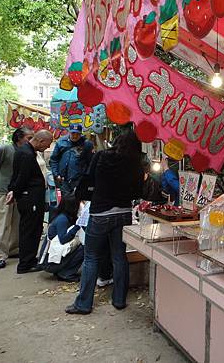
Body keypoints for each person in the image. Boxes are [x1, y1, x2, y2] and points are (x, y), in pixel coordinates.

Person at [66, 130, 144, 315]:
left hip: (101, 212)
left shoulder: (102, 156)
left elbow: (88, 179)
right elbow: (137, 193)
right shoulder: (136, 165)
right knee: (119, 256)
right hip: (124, 213)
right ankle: (119, 300)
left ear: (117, 141)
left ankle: (83, 304)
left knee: (91, 257)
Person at [7, 129, 54, 274]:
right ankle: (25, 263)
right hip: (30, 198)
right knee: (30, 230)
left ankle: (30, 258)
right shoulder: (26, 154)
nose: (47, 148)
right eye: (47, 144)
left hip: (32, 197)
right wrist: (14, 192)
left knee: (34, 229)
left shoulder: (28, 151)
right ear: (40, 141)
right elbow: (21, 178)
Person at [0, 127, 33, 269]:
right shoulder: (4, 149)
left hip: (18, 191)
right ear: (19, 138)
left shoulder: (26, 151)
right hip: (3, 191)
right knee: (3, 224)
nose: (31, 140)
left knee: (16, 222)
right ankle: (0, 255)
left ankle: (14, 249)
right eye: (29, 137)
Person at [41, 195, 84, 282]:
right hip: (49, 263)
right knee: (83, 249)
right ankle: (66, 273)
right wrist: (78, 225)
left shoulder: (63, 216)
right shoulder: (62, 219)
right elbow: (63, 239)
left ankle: (62, 270)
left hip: (51, 260)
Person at [49, 124, 94, 196]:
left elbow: (91, 163)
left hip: (79, 180)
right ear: (69, 132)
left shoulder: (87, 144)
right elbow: (54, 159)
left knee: (78, 201)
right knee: (65, 202)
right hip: (63, 179)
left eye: (78, 134)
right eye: (73, 133)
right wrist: (56, 174)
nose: (75, 136)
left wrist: (86, 177)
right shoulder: (61, 142)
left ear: (81, 134)